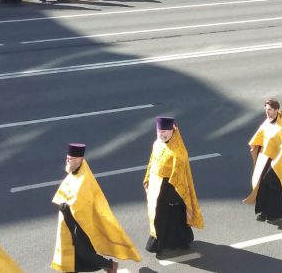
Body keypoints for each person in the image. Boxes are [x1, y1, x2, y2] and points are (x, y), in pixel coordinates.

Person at [51, 143, 140, 273]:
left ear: (79, 160)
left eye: (70, 158)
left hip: (80, 222)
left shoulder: (83, 179)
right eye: (67, 158)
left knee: (82, 251)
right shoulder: (75, 172)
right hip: (71, 219)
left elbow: (80, 203)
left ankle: (110, 265)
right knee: (74, 250)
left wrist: (64, 205)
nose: (67, 160)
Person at [144, 117, 203, 257]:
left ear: (172, 131)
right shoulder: (157, 144)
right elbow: (152, 162)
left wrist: (174, 196)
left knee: (168, 216)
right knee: (157, 215)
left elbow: (180, 177)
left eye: (164, 131)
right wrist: (147, 177)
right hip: (156, 187)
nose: (161, 134)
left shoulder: (179, 153)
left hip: (171, 189)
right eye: (159, 131)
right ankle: (167, 241)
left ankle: (160, 244)